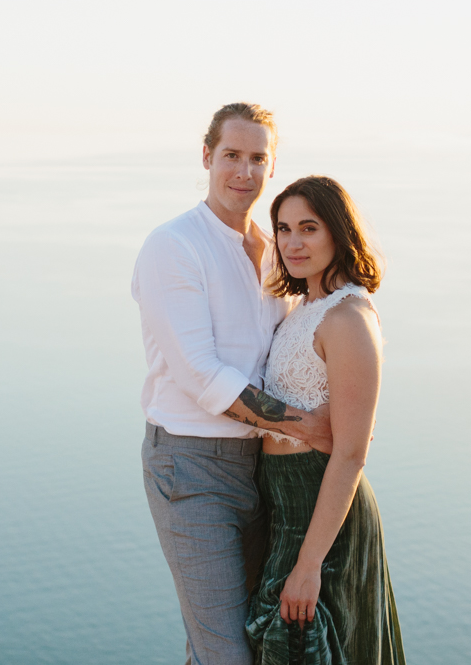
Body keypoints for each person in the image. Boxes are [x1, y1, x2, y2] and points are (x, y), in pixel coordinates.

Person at [135, 103, 333, 665]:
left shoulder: (277, 253)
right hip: (192, 468)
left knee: (255, 641)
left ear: (272, 167)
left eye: (257, 158)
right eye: (231, 156)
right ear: (206, 157)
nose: (244, 171)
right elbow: (201, 375)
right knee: (225, 653)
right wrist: (309, 427)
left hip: (266, 470)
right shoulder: (174, 246)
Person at [246, 175, 405, 664]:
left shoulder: (349, 319)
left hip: (323, 505)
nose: (293, 242)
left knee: (312, 645)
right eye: (284, 229)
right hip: (284, 501)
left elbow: (353, 452)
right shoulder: (302, 309)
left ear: (337, 232)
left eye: (309, 228)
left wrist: (309, 564)